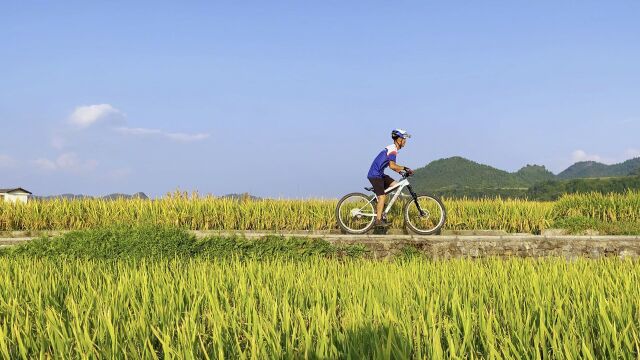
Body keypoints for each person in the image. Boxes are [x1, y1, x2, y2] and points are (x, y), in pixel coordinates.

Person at [367, 129, 414, 228]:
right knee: (382, 196)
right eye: (404, 139)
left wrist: (400, 171)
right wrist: (405, 168)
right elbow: (392, 166)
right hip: (375, 175)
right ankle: (378, 220)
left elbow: (391, 165)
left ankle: (379, 201)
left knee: (395, 185)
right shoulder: (393, 149)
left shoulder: (393, 149)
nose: (405, 141)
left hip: (380, 174)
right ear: (398, 139)